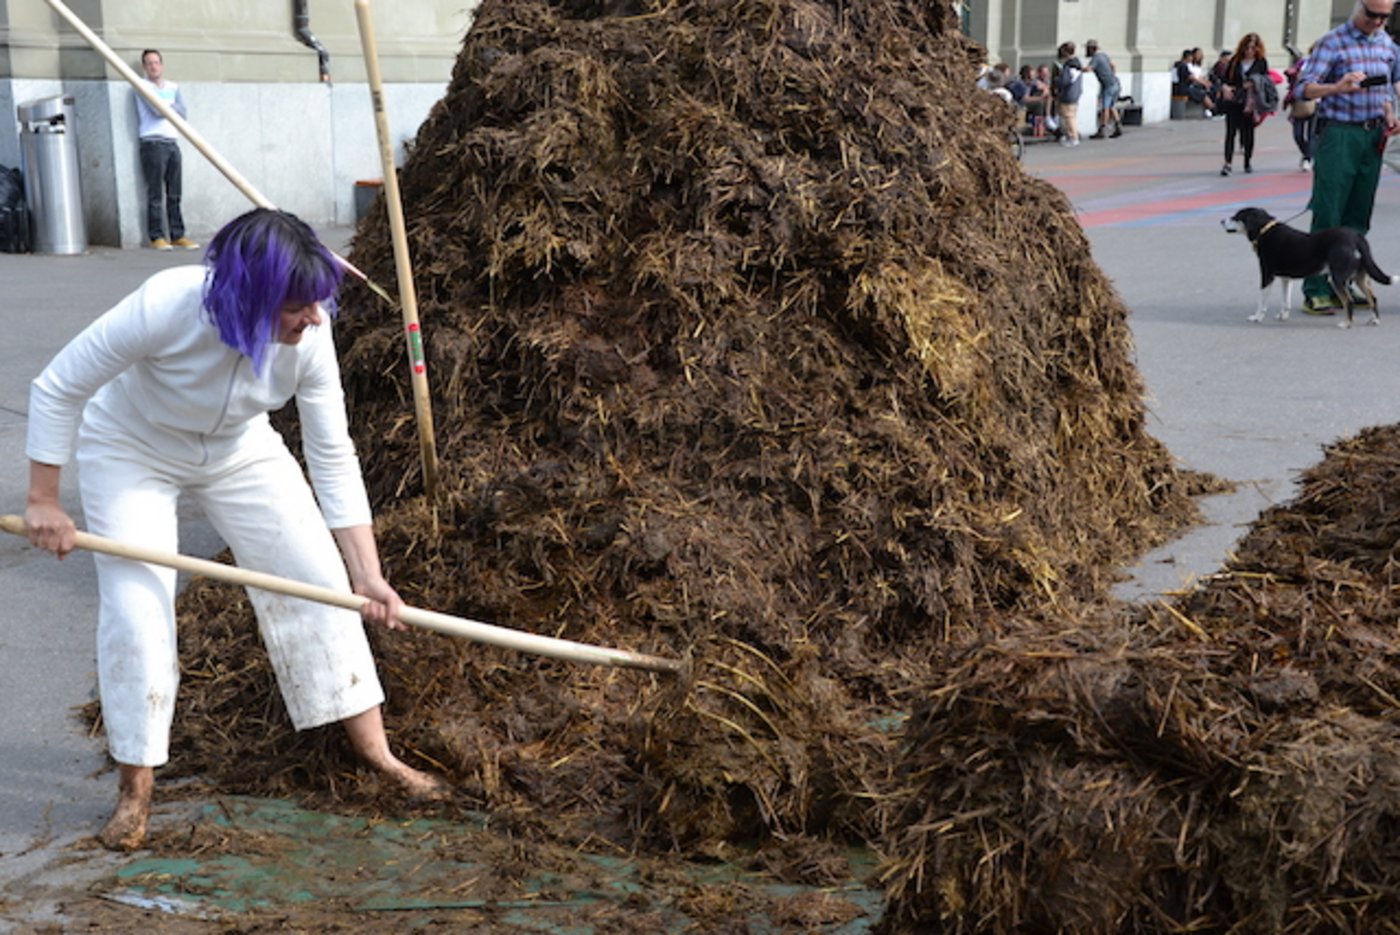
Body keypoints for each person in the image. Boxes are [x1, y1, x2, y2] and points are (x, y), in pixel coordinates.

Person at [22, 208, 448, 851]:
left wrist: (367, 575)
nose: (313, 318)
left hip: (239, 449)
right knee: (139, 606)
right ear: (248, 299)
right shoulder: (165, 305)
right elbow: (58, 387)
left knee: (320, 582)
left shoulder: (313, 335)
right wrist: (43, 500)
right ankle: (136, 792)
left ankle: (377, 754)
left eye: (316, 303)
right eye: (297, 306)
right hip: (134, 448)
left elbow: (333, 455)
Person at [1297, 0, 1400, 314]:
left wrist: (1390, 113)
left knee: (1359, 214)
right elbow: (1303, 88)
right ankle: (1316, 289)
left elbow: (1390, 85)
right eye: (1372, 14)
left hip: (1373, 135)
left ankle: (1346, 280)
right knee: (1329, 211)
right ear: (1359, 7)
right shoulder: (1333, 42)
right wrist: (1336, 87)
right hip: (1340, 133)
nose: (1378, 22)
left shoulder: (1386, 44)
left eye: (1385, 16)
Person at [136, 50, 198, 251]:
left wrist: (166, 106)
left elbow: (183, 112)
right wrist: (171, 106)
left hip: (172, 142)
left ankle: (177, 234)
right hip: (153, 143)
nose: (153, 66)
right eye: (149, 63)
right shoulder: (142, 86)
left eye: (156, 62)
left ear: (161, 65)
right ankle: (156, 236)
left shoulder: (173, 87)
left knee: (175, 192)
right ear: (145, 67)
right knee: (155, 193)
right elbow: (156, 111)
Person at [1218, 34, 1272, 176]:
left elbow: (1266, 80)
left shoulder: (1261, 62)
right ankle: (1227, 163)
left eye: (1253, 48)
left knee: (1248, 133)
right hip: (1234, 100)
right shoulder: (1235, 61)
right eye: (1247, 47)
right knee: (1230, 132)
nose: (1249, 51)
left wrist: (1254, 83)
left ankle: (1247, 161)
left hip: (1250, 102)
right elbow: (1225, 79)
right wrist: (1225, 87)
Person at [1285, 42, 1320, 171]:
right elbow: (1292, 78)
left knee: (1312, 134)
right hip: (1299, 101)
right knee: (1298, 134)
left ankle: (1308, 159)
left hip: (1317, 103)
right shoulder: (1303, 63)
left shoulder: (1327, 66)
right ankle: (1307, 153)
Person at [1085, 40, 1123, 139]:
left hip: (1108, 85)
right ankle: (1118, 126)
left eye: (1087, 49)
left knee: (1105, 107)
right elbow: (1113, 66)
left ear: (1091, 49)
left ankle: (1102, 129)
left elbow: (1089, 69)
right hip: (1115, 82)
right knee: (1111, 106)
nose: (1086, 51)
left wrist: (1078, 69)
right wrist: (1111, 75)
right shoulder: (1104, 55)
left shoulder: (1095, 59)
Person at [1052, 41, 1085, 146]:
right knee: (1071, 116)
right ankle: (1071, 135)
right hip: (1075, 93)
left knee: (1068, 116)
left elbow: (1064, 81)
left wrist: (1056, 80)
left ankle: (1073, 137)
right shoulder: (1077, 64)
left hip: (1068, 94)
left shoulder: (1070, 65)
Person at [1173, 48, 1216, 114]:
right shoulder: (1182, 66)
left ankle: (1210, 109)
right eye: (1191, 57)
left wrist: (1204, 82)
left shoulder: (1180, 65)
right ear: (1188, 57)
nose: (1192, 59)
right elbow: (1191, 77)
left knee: (1205, 92)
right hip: (1182, 89)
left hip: (1182, 88)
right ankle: (1213, 110)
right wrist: (1204, 83)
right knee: (1202, 94)